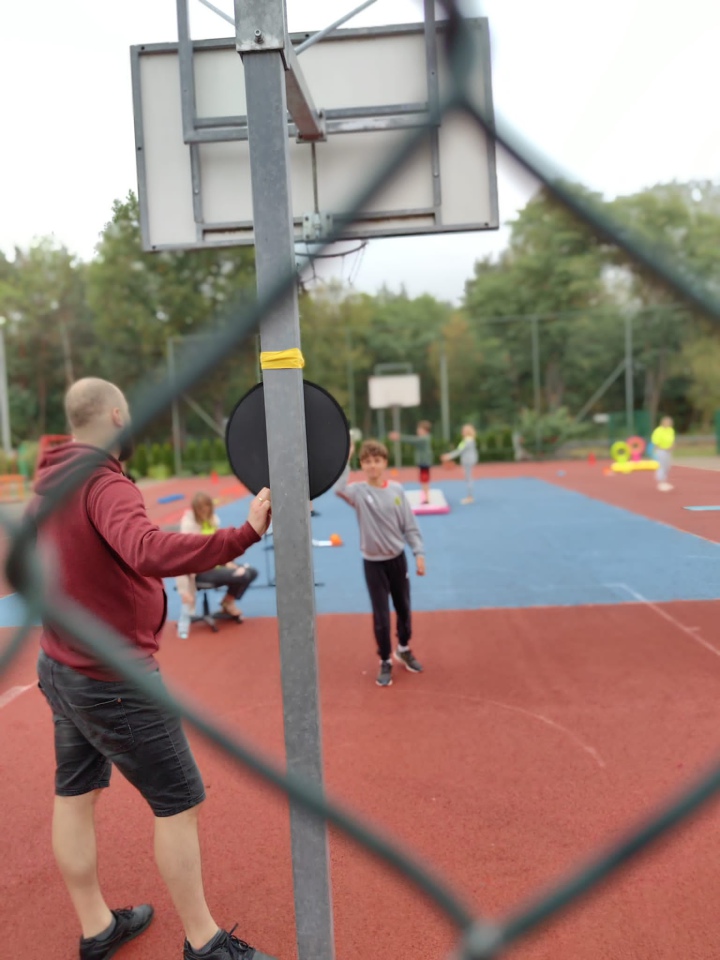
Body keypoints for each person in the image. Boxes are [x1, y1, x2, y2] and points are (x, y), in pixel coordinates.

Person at [29, 378, 273, 960]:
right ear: (117, 414)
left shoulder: (49, 484)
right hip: (113, 679)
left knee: (74, 793)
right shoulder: (102, 482)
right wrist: (243, 534)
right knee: (179, 801)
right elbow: (146, 550)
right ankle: (204, 942)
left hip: (60, 661)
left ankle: (97, 929)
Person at [334, 437, 426, 688]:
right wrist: (347, 455)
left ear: (384, 463)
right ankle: (385, 659)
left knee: (404, 608)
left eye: (377, 460)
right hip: (373, 564)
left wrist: (418, 553)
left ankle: (403, 648)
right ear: (362, 465)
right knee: (381, 616)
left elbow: (409, 525)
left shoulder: (396, 490)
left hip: (398, 560)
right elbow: (339, 486)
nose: (372, 465)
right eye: (367, 462)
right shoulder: (358, 493)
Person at [176, 492, 259, 635]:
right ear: (195, 510)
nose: (205, 511)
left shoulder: (213, 520)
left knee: (251, 571)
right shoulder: (188, 525)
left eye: (208, 507)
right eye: (201, 509)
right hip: (200, 570)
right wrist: (184, 590)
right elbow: (182, 558)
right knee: (242, 574)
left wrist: (228, 562)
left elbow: (219, 547)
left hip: (217, 564)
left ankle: (227, 602)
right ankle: (228, 603)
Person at [388, 419, 433, 504]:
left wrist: (399, 437)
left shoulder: (424, 439)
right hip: (422, 462)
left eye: (420, 429)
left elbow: (412, 440)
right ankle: (425, 496)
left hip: (425, 462)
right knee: (423, 480)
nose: (418, 431)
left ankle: (426, 498)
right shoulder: (423, 438)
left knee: (425, 480)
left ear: (425, 430)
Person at [441, 424, 478, 504]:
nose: (462, 432)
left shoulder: (468, 440)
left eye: (463, 431)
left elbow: (459, 451)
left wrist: (448, 456)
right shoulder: (468, 440)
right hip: (468, 460)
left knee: (468, 478)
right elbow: (460, 450)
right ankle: (469, 496)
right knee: (468, 477)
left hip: (468, 460)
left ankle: (470, 497)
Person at [651, 415, 675, 492]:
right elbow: (656, 442)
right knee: (662, 466)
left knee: (667, 466)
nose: (669, 424)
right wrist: (662, 448)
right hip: (661, 450)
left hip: (668, 451)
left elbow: (672, 439)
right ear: (663, 423)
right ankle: (661, 482)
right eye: (668, 422)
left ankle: (664, 481)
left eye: (670, 422)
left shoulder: (671, 430)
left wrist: (672, 446)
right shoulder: (658, 431)